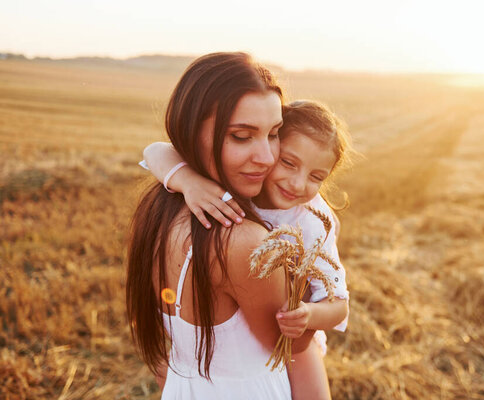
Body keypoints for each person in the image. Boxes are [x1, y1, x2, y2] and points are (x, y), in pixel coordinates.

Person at [127, 52, 313, 399]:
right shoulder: (244, 243)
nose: (267, 157)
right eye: (242, 137)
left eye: (274, 134)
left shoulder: (157, 208)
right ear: (190, 131)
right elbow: (293, 349)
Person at [142, 100, 353, 399]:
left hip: (293, 340)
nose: (297, 183)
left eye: (316, 177)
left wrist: (308, 314)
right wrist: (188, 182)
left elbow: (339, 304)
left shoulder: (314, 224)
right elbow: (154, 151)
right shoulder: (243, 183)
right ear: (272, 150)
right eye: (289, 163)